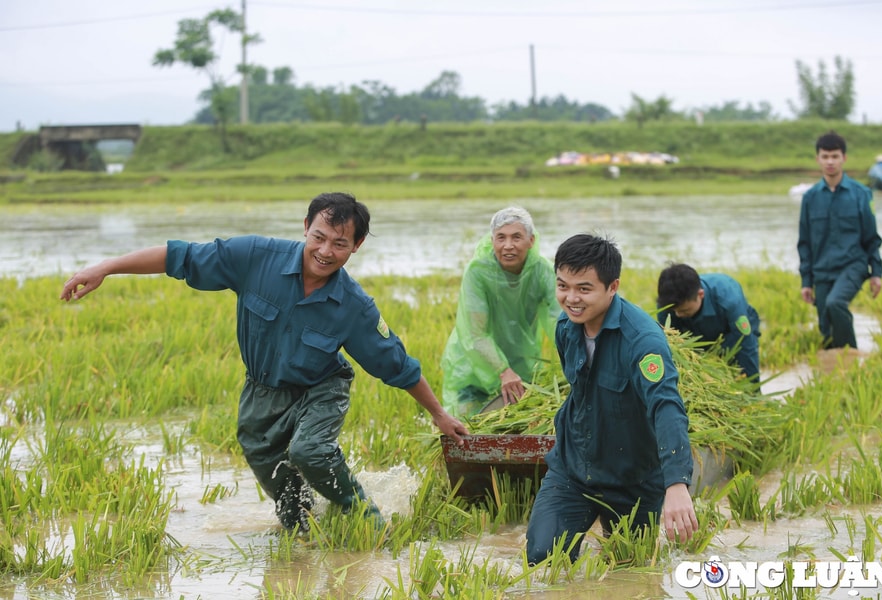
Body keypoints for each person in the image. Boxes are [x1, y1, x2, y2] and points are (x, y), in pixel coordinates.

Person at [59, 192, 470, 532]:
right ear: (305, 226)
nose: (326, 252)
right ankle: (305, 537)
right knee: (288, 502)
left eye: (340, 244)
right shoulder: (255, 256)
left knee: (310, 451)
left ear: (356, 246)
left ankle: (368, 522)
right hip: (261, 391)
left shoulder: (355, 307)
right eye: (319, 237)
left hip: (321, 387)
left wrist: (439, 414)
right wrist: (107, 268)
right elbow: (178, 257)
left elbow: (396, 364)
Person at [525, 233, 697, 566]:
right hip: (574, 469)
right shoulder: (566, 327)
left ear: (613, 287)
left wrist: (676, 483)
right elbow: (580, 392)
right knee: (542, 559)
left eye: (584, 289)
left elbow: (667, 407)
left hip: (633, 479)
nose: (571, 298)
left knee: (630, 572)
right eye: (563, 286)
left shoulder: (644, 342)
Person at [440, 207, 557, 416]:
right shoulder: (478, 271)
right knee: (470, 430)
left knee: (518, 428)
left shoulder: (543, 271)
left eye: (516, 237)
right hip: (473, 364)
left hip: (520, 365)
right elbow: (475, 333)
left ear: (531, 241)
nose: (508, 246)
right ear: (492, 240)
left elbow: (563, 318)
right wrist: (502, 371)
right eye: (500, 238)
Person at [798, 131, 882, 350]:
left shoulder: (861, 194)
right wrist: (806, 281)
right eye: (825, 156)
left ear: (844, 158)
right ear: (817, 159)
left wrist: (876, 273)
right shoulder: (810, 198)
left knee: (836, 303)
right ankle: (836, 374)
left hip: (852, 265)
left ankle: (852, 357)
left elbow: (871, 236)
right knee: (826, 330)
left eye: (835, 156)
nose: (830, 162)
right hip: (822, 269)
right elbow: (805, 242)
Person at [656, 263, 761, 382]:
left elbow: (746, 345)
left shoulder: (729, 300)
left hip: (731, 334)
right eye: (674, 311)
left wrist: (752, 386)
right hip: (694, 333)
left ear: (701, 295)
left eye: (684, 310)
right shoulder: (667, 305)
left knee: (740, 370)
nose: (678, 315)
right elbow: (672, 346)